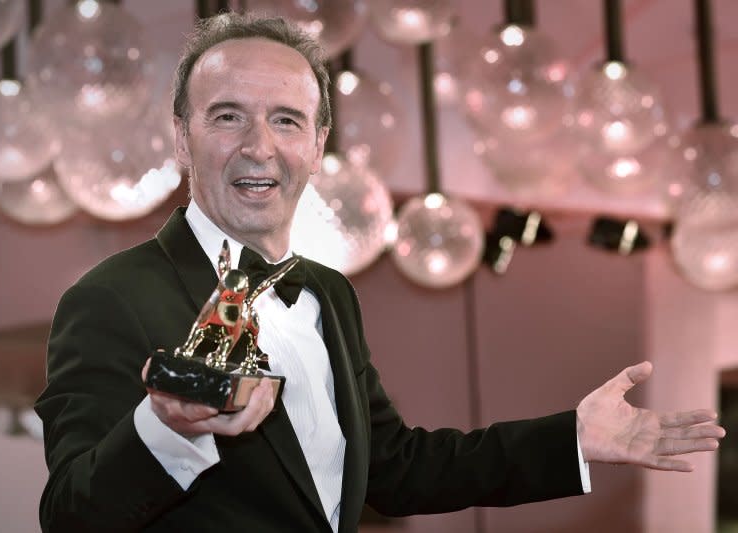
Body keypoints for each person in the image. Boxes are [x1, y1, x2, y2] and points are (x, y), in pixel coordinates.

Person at [35, 12, 725, 533]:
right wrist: (167, 425)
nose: (259, 146)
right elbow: (70, 513)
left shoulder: (330, 293)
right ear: (183, 138)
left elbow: (397, 468)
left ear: (317, 144)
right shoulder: (109, 298)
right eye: (227, 116)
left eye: (285, 119)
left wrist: (569, 439)